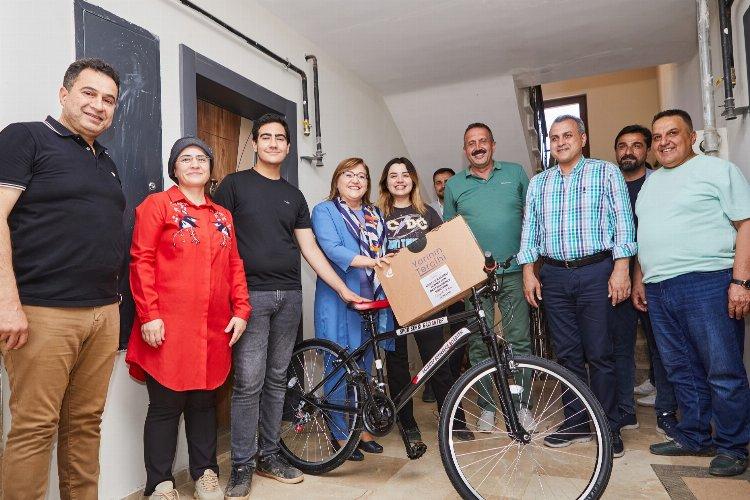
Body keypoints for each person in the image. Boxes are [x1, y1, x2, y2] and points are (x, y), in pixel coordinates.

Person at [213, 114, 366, 497]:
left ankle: (269, 455)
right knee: (249, 382)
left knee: (278, 379)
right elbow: (218, 242)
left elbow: (310, 249)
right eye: (265, 137)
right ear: (255, 143)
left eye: (280, 138)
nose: (273, 143)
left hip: (289, 297)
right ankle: (242, 465)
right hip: (250, 297)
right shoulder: (233, 185)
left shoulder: (293, 196)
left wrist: (342, 289)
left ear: (287, 146)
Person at [0, 58, 125, 499]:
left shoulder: (107, 161)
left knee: (86, 424)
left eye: (109, 99)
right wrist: (6, 303)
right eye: (89, 93)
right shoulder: (26, 137)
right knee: (35, 427)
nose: (99, 105)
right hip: (42, 312)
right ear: (64, 94)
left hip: (104, 313)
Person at [125, 137, 251, 499]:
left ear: (210, 169)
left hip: (214, 328)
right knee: (165, 406)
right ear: (174, 168)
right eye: (186, 159)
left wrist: (242, 310)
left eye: (201, 159)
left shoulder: (222, 215)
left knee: (204, 404)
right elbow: (141, 260)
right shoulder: (157, 205)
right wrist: (149, 315)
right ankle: (160, 483)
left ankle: (205, 473)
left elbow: (235, 264)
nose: (195, 164)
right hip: (168, 326)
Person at [634, 109, 750, 476]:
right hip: (659, 287)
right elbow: (646, 234)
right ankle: (695, 436)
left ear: (691, 137)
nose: (664, 142)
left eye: (672, 133)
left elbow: (745, 224)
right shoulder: (652, 182)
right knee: (680, 368)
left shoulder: (718, 171)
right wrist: (640, 278)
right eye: (657, 137)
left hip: (708, 282)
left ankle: (732, 446)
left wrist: (741, 282)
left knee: (722, 369)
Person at [518, 114, 636, 458]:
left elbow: (624, 223)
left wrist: (622, 268)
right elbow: (530, 230)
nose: (560, 142)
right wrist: (528, 272)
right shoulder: (539, 183)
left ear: (582, 139)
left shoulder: (606, 172)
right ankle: (576, 423)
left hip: (597, 272)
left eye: (567, 135)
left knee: (600, 353)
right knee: (566, 355)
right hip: (554, 276)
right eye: (554, 138)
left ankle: (608, 426)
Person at [443, 122, 532, 434]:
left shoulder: (516, 173)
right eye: (471, 143)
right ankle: (487, 407)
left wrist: (532, 267)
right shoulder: (454, 185)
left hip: (514, 272)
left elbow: (531, 219)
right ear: (464, 150)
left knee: (518, 340)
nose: (478, 147)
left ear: (493, 145)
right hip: (475, 279)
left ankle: (521, 406)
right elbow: (450, 234)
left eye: (483, 141)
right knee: (479, 344)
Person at [378, 157, 473, 446]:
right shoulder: (377, 214)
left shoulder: (428, 213)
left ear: (413, 179)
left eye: (405, 174)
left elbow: (443, 251)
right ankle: (406, 422)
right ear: (385, 182)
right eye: (393, 175)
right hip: (391, 301)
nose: (399, 180)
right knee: (397, 364)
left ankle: (453, 419)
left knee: (437, 360)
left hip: (426, 300)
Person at [312, 157, 391, 461]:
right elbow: (332, 249)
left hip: (371, 301)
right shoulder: (325, 211)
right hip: (338, 298)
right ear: (337, 179)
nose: (356, 180)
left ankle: (361, 428)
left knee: (365, 365)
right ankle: (339, 431)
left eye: (362, 176)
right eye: (349, 174)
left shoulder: (374, 213)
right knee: (338, 364)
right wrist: (373, 261)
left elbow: (386, 250)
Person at [611, 124, 678, 438]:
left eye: (636, 145)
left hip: (655, 275)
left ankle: (666, 411)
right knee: (620, 347)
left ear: (647, 150)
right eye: (622, 146)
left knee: (662, 346)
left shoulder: (659, 182)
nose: (629, 152)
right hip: (617, 276)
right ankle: (626, 411)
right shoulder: (609, 183)